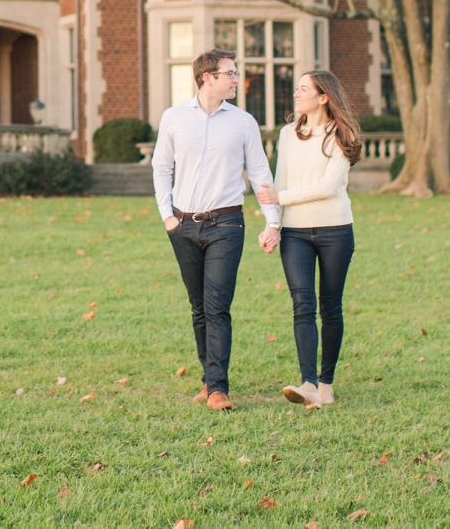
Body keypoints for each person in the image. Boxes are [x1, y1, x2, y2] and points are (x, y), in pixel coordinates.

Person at [152, 48, 280, 410]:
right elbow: (161, 167)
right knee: (198, 307)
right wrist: (168, 217)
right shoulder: (174, 118)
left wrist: (273, 221)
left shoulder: (243, 122)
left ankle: (219, 387)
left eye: (235, 73)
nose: (236, 79)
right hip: (183, 225)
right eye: (230, 73)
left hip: (227, 223)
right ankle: (208, 379)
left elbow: (259, 174)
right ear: (208, 77)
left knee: (217, 306)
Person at [256, 69, 362, 408]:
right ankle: (308, 384)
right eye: (297, 89)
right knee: (302, 305)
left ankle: (326, 382)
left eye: (304, 89)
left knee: (330, 307)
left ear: (323, 97)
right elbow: (280, 180)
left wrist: (279, 199)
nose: (297, 94)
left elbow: (328, 187)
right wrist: (274, 225)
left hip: (335, 231)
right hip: (295, 234)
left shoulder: (341, 135)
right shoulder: (289, 134)